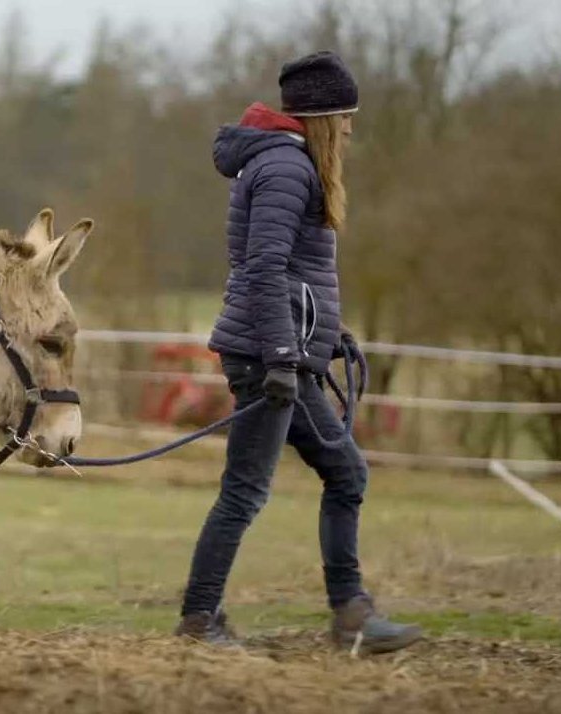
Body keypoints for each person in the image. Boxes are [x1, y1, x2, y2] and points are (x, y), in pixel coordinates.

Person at [175, 51, 422, 654]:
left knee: (346, 473)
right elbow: (263, 267)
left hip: (279, 351)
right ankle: (199, 622)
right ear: (323, 118)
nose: (351, 129)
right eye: (346, 117)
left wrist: (326, 333)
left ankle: (351, 615)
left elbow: (295, 274)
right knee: (246, 491)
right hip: (269, 358)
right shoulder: (288, 169)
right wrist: (285, 353)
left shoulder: (288, 163)